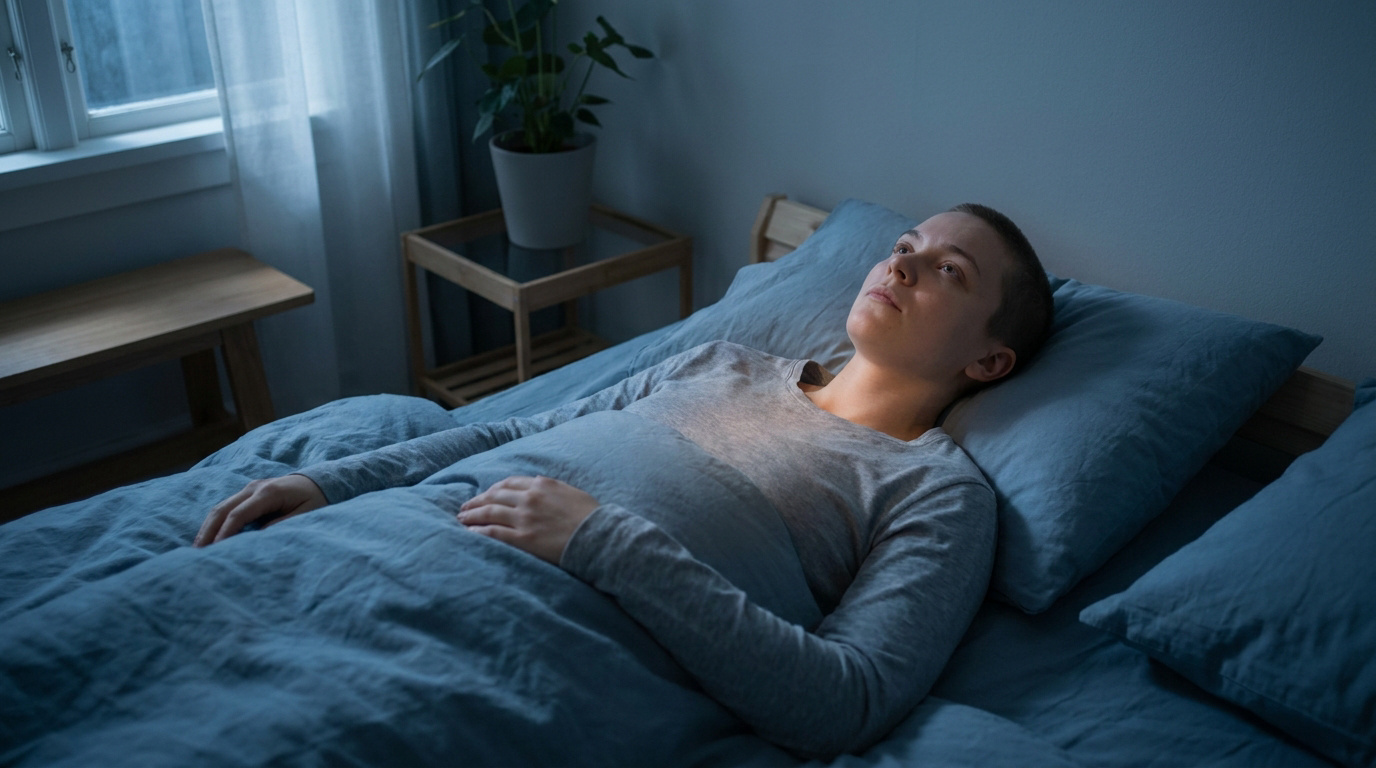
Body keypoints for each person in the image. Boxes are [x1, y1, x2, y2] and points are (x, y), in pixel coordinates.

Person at [194, 203, 1054, 758]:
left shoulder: (936, 491)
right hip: (396, 534)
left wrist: (602, 540)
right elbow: (523, 430)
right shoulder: (726, 360)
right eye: (905, 246)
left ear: (990, 358)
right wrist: (333, 484)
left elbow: (848, 700)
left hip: (520, 630)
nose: (899, 266)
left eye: (949, 271)